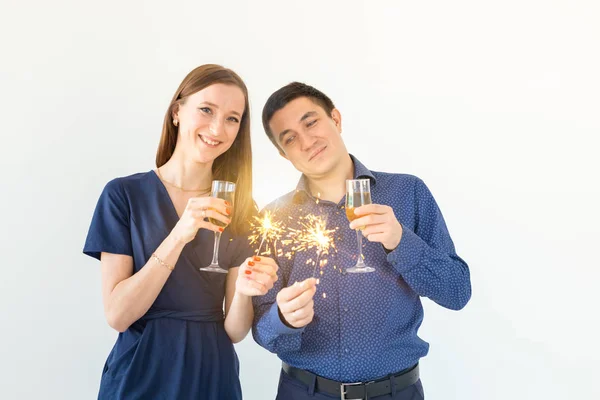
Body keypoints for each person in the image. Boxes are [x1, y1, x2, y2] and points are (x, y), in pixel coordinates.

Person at [252, 82, 472, 400]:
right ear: (285, 155)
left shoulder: (408, 192)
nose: (307, 141)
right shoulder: (274, 219)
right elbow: (262, 328)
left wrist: (401, 242)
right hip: (304, 393)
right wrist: (282, 318)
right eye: (290, 139)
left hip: (397, 393)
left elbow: (457, 292)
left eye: (311, 122)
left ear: (336, 119)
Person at [83, 64, 278, 400]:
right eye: (206, 110)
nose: (218, 128)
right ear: (177, 111)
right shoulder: (123, 196)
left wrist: (246, 290)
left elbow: (234, 331)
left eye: (233, 118)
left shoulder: (244, 209)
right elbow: (118, 315)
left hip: (211, 375)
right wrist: (178, 235)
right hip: (139, 375)